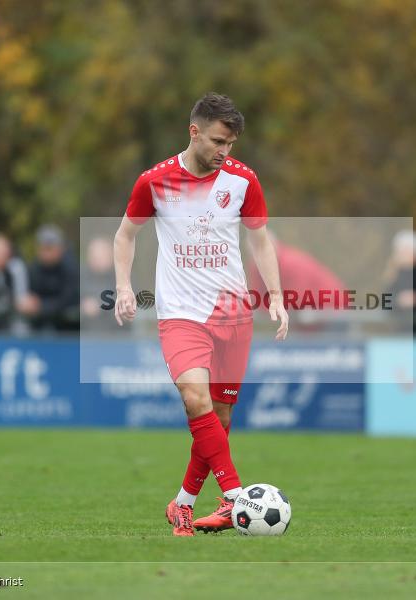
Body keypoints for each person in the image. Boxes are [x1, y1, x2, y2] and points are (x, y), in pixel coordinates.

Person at [113, 93, 288, 536]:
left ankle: (182, 504)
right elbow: (124, 236)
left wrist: (276, 296)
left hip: (233, 314)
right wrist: (123, 287)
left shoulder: (243, 181)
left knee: (220, 420)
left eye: (230, 143)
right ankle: (234, 498)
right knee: (196, 399)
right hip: (180, 314)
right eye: (217, 141)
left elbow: (261, 241)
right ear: (194, 132)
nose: (224, 151)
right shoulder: (154, 182)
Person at [18, 225, 80, 331]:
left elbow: (69, 300)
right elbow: (31, 296)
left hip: (69, 328)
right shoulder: (33, 268)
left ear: (61, 248)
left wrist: (42, 306)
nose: (45, 253)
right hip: (40, 325)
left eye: (49, 248)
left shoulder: (71, 268)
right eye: (42, 248)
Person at [80, 236, 118, 333]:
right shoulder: (80, 277)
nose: (96, 261)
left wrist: (100, 306)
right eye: (93, 257)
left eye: (101, 257)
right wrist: (82, 308)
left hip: (116, 336)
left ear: (111, 256)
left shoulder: (123, 279)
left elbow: (129, 311)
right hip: (84, 336)